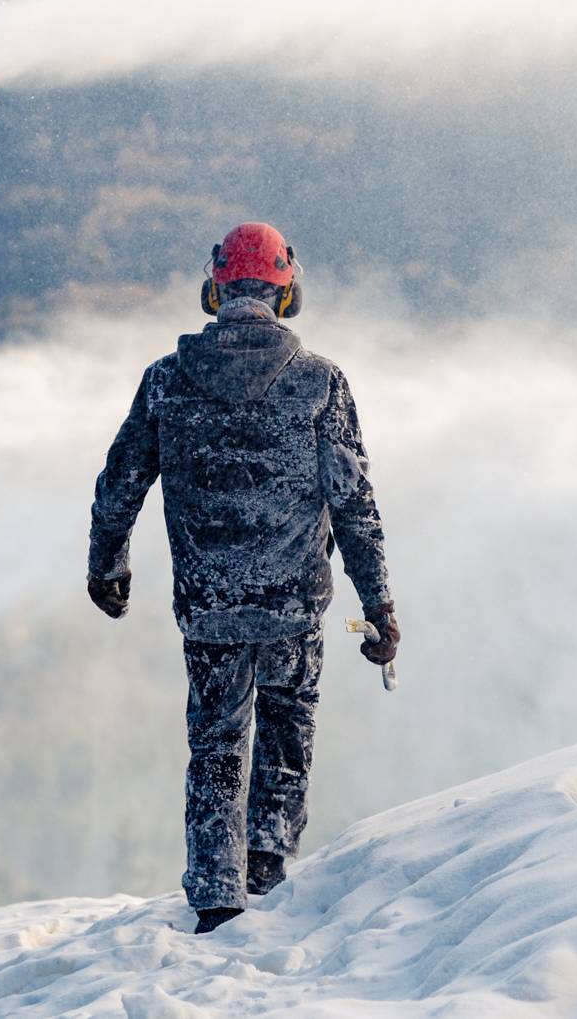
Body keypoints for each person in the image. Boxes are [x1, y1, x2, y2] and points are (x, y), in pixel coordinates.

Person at [87, 221, 400, 934]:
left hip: (209, 611)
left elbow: (118, 486)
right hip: (293, 610)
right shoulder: (322, 382)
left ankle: (218, 899)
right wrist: (378, 604)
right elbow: (355, 505)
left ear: (215, 288)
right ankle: (267, 869)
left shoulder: (166, 382)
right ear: (286, 289)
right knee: (288, 730)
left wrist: (107, 566)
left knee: (217, 744)